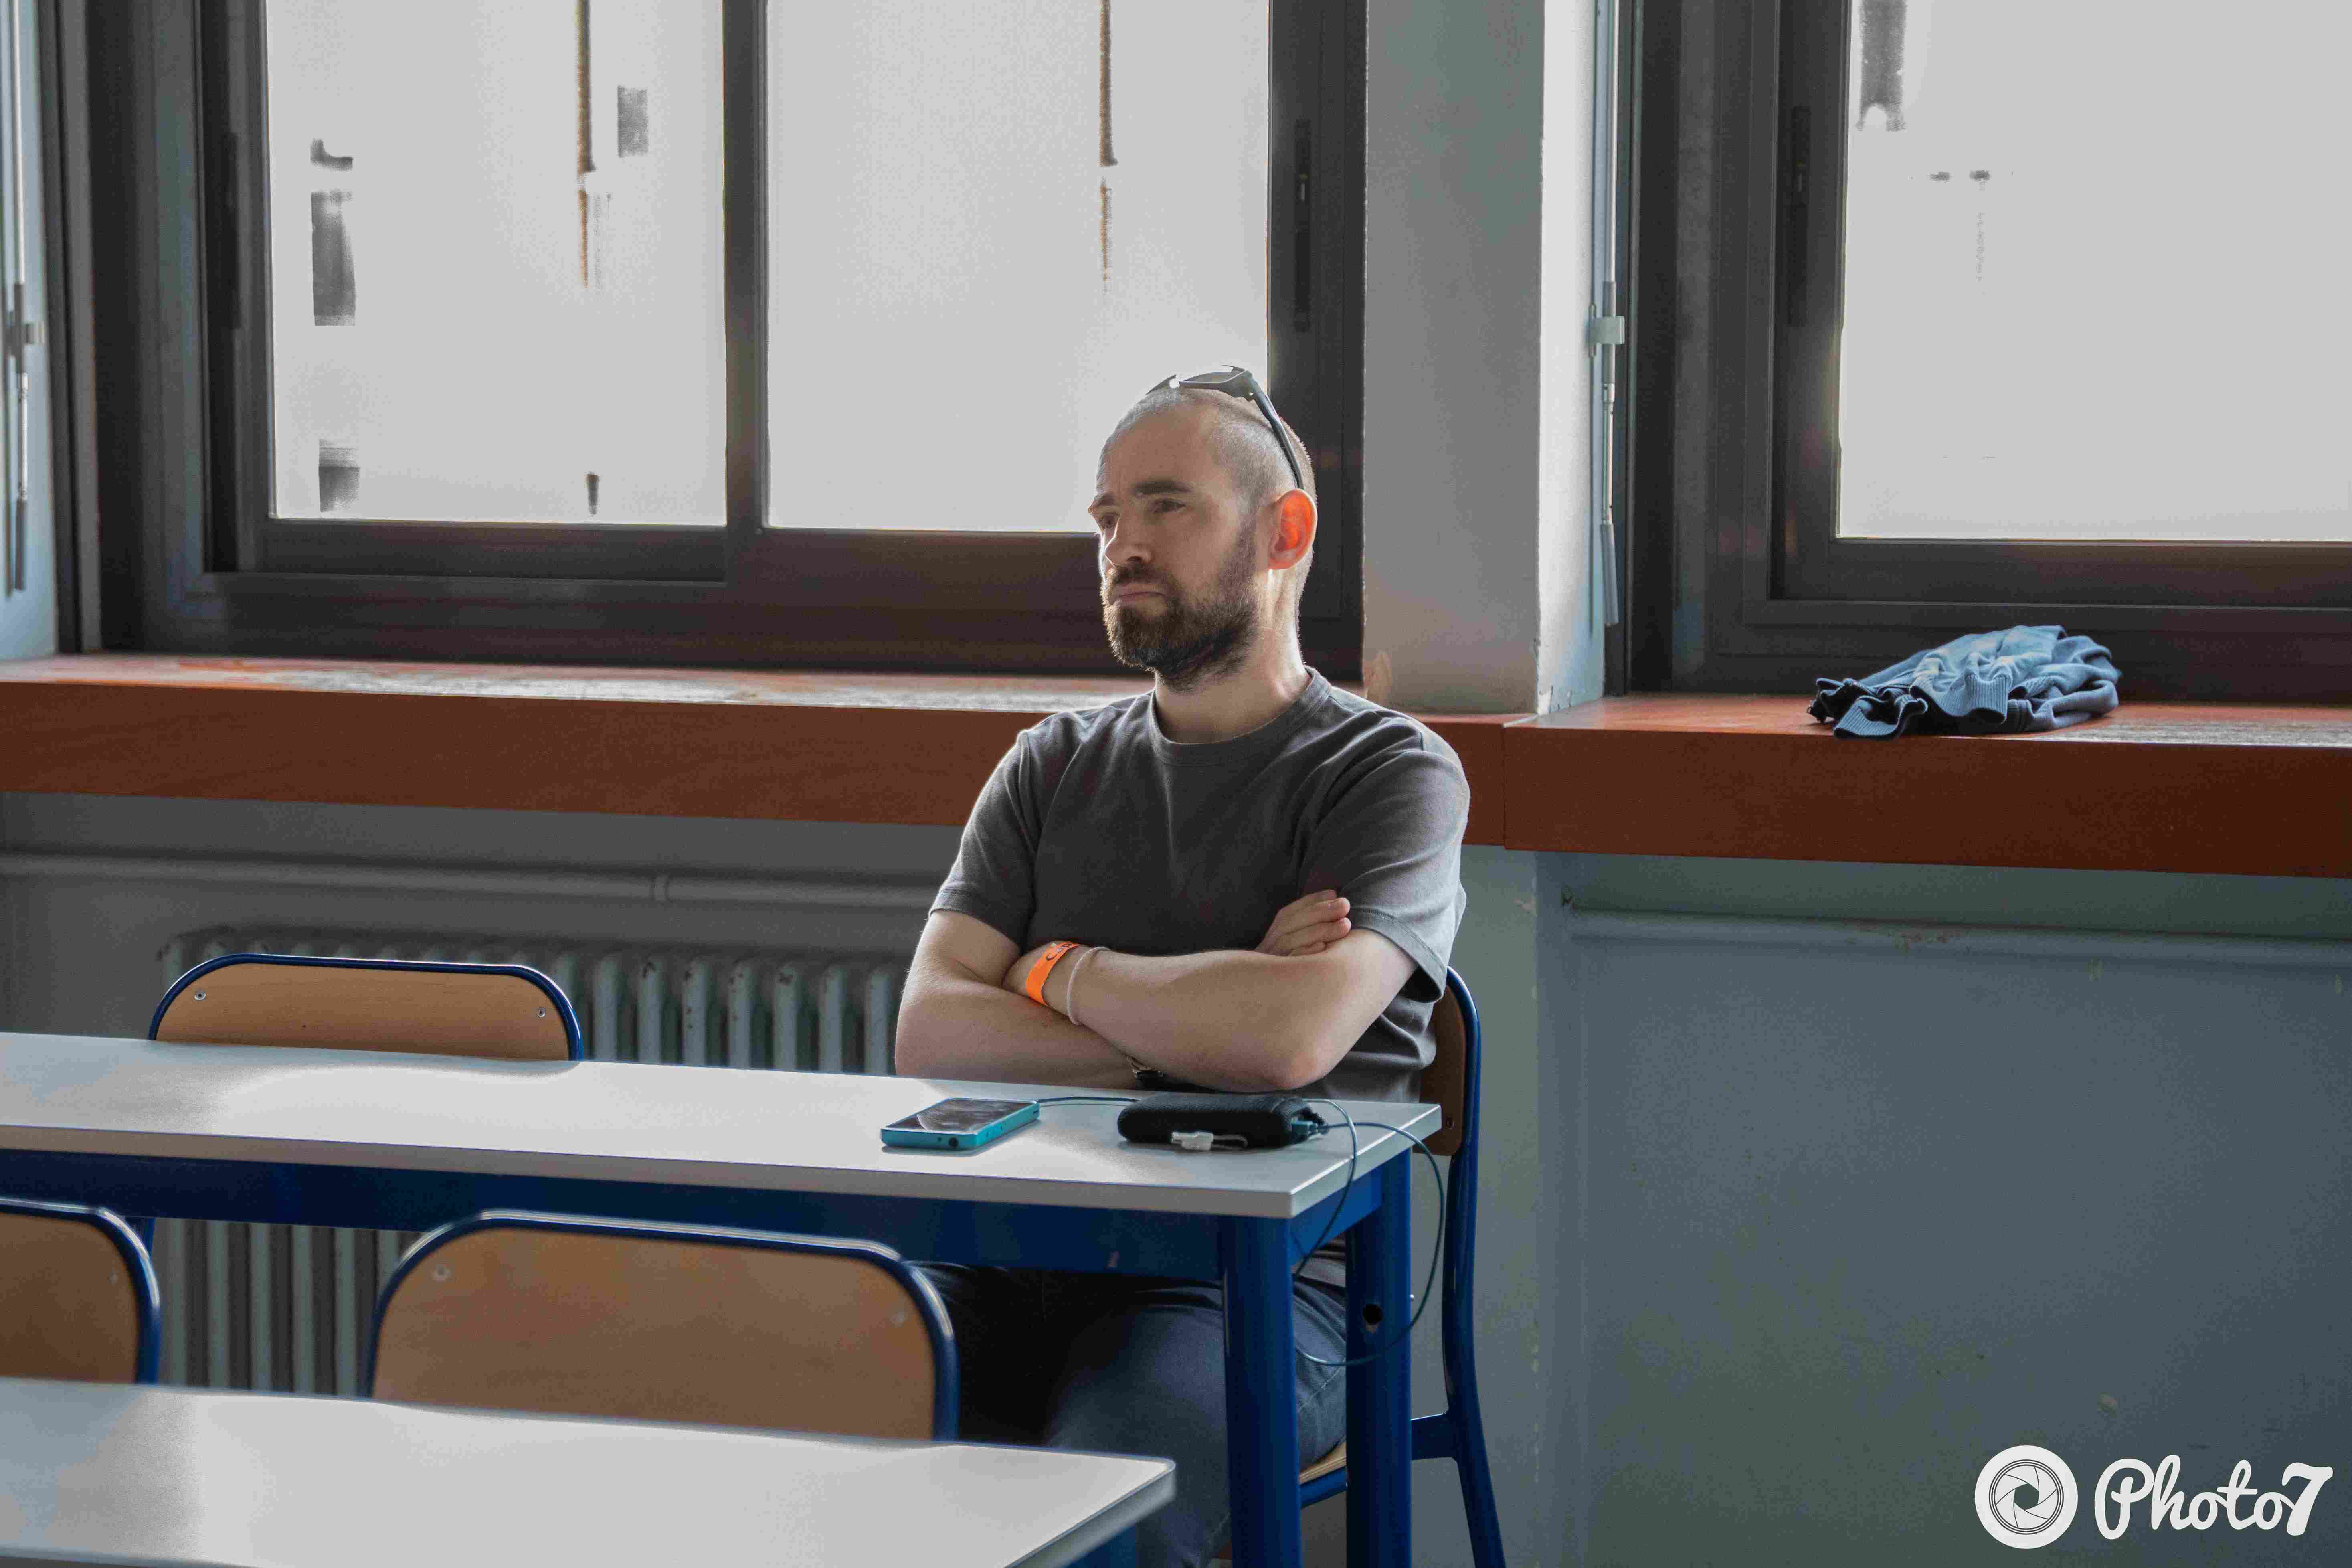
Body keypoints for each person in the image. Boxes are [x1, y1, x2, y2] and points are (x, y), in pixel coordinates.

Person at [893, 367, 1470, 1567]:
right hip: (1009, 1254)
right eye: (1107, 516)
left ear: (1284, 531)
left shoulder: (1389, 772)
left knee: (1108, 1527)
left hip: (1256, 1285)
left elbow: (1287, 1042)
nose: (1123, 545)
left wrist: (1055, 970)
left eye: (1166, 506)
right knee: (787, 1424)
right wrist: (1209, 1022)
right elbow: (931, 1032)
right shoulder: (1049, 764)